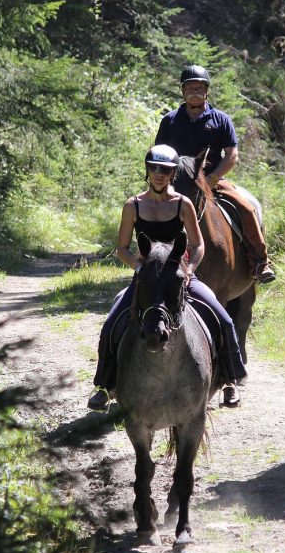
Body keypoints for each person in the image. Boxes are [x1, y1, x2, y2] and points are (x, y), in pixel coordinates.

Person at [87, 144, 248, 411]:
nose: (159, 174)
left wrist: (190, 270)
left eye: (166, 170)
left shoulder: (183, 204)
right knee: (111, 324)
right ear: (147, 171)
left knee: (225, 318)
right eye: (154, 169)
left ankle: (230, 379)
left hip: (178, 275)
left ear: (173, 174)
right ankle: (104, 386)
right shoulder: (133, 205)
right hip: (146, 279)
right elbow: (123, 248)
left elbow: (198, 245)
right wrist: (138, 267)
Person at [155, 65, 275, 284]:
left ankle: (260, 261)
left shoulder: (221, 119)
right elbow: (160, 154)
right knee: (147, 207)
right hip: (175, 183)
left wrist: (214, 177)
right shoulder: (170, 121)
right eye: (189, 88)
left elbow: (232, 154)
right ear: (182, 91)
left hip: (212, 181)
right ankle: (148, 258)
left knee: (247, 207)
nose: (194, 92)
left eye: (199, 88)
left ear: (206, 91)